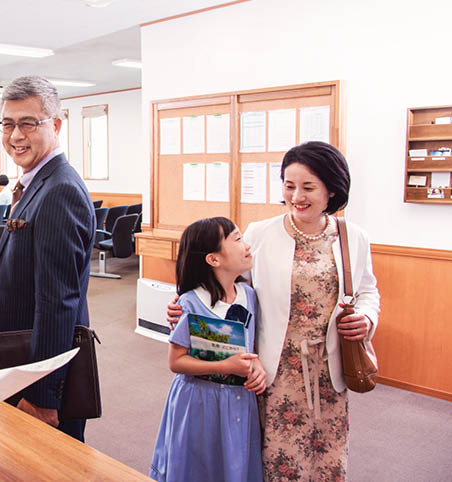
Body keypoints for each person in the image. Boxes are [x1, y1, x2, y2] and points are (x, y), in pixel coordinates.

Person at [167, 142, 379, 480]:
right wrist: (187, 308)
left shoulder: (352, 236)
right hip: (277, 368)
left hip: (330, 367)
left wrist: (366, 317)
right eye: (289, 185)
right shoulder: (262, 233)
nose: (296, 196)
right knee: (279, 459)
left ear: (332, 189)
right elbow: (228, 291)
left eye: (308, 187)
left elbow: (368, 290)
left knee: (327, 455)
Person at [0, 75, 95, 442]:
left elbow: (57, 301)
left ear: (56, 125)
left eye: (28, 123)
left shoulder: (60, 190)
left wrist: (42, 395)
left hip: (43, 376)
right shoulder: (37, 183)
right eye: (8, 124)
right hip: (20, 359)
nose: (16, 135)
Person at [149, 217, 265, 482]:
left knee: (233, 463)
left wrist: (256, 365)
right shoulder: (190, 303)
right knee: (198, 464)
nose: (246, 246)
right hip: (199, 401)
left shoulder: (250, 296)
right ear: (214, 259)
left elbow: (252, 346)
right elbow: (176, 362)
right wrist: (224, 367)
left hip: (238, 401)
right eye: (237, 239)